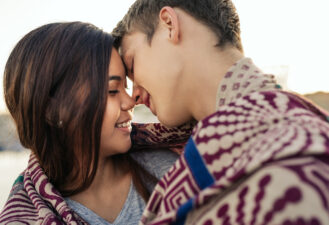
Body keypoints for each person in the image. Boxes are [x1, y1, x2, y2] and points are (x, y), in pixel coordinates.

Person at [112, 0, 329, 224]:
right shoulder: (298, 124)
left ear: (169, 25)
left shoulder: (296, 150)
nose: (134, 95)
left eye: (132, 64)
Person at [0, 22, 193, 225]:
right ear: (51, 111)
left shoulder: (174, 170)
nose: (130, 102)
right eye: (112, 90)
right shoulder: (22, 219)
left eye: (126, 87)